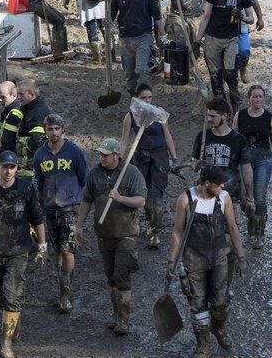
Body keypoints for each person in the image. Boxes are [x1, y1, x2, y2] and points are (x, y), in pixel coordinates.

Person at [0, 150, 47, 358]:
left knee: (12, 295)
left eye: (12, 167)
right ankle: (13, 316)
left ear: (16, 168)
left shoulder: (26, 189)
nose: (8, 171)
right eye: (5, 166)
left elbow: (37, 218)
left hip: (18, 250)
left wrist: (42, 245)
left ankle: (5, 343)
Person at [168, 165, 247, 358]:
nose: (221, 187)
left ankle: (218, 326)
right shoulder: (185, 199)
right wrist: (171, 262)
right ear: (206, 183)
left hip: (219, 256)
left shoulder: (224, 198)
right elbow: (177, 233)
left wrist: (241, 256)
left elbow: (233, 227)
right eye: (218, 185)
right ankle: (203, 345)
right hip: (194, 258)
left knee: (220, 302)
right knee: (198, 303)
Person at [76, 138, 147, 335]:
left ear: (117, 155)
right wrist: (79, 226)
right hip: (104, 234)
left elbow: (141, 200)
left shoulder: (132, 173)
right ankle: (116, 315)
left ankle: (124, 320)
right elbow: (86, 201)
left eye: (105, 155)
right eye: (100, 154)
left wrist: (120, 198)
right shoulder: (95, 174)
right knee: (111, 277)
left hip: (127, 233)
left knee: (121, 274)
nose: (102, 158)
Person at [32, 113, 88, 313]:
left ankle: (66, 291)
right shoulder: (40, 155)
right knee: (56, 250)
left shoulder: (74, 152)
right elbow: (37, 181)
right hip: (49, 208)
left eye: (57, 129)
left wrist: (81, 202)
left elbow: (84, 179)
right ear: (45, 131)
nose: (54, 132)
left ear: (63, 130)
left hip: (70, 207)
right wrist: (37, 206)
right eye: (50, 129)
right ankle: (61, 284)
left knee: (67, 249)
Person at [119, 84, 177, 249]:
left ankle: (154, 230)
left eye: (149, 97)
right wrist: (119, 160)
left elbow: (168, 137)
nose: (147, 101)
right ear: (137, 99)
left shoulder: (159, 114)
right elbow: (124, 141)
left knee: (156, 197)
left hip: (159, 158)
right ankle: (145, 222)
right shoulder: (130, 116)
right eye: (144, 98)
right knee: (142, 195)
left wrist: (175, 158)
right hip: (140, 157)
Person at [195, 0, 258, 109]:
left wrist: (240, 16)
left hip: (231, 38)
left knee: (231, 75)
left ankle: (236, 107)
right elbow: (206, 17)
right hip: (212, 38)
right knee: (215, 78)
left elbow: (251, 19)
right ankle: (221, 109)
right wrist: (198, 39)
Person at [232, 86, 272, 249]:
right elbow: (233, 138)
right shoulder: (239, 115)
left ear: (264, 99)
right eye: (254, 97)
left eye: (261, 97)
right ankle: (251, 219)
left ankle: (259, 234)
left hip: (263, 160)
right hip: (243, 160)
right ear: (249, 98)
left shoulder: (270, 118)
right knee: (243, 197)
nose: (258, 100)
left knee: (259, 196)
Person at [110, 0, 167, 96]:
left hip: (144, 36)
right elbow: (112, 12)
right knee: (129, 75)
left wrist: (163, 35)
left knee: (142, 70)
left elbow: (156, 13)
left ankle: (146, 100)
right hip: (125, 37)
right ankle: (134, 101)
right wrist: (108, 23)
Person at [15, 79, 52, 172]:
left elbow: (37, 142)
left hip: (31, 168)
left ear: (32, 95)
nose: (18, 97)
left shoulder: (36, 114)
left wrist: (20, 145)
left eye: (21, 94)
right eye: (17, 94)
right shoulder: (31, 108)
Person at [0, 81, 23, 155]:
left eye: (3, 97)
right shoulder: (8, 111)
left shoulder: (15, 114)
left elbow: (8, 142)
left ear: (14, 95)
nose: (0, 100)